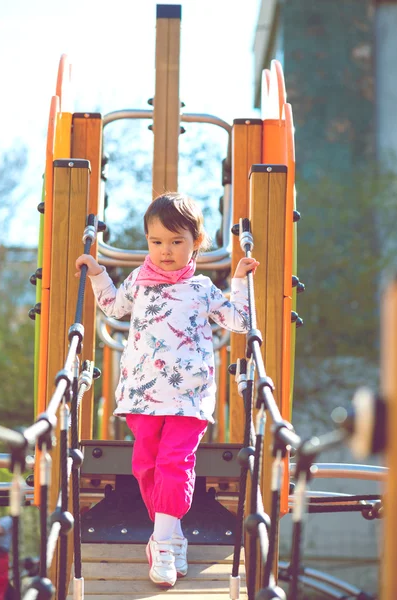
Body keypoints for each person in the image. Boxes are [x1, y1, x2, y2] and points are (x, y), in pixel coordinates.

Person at [75, 192, 259, 588]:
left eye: (177, 242)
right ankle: (172, 535)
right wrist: (95, 272)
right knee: (145, 464)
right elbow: (113, 306)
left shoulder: (202, 288)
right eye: (156, 242)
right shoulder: (138, 282)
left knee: (175, 463)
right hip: (143, 392)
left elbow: (240, 321)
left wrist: (241, 280)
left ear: (196, 242)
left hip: (188, 396)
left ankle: (161, 540)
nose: (166, 251)